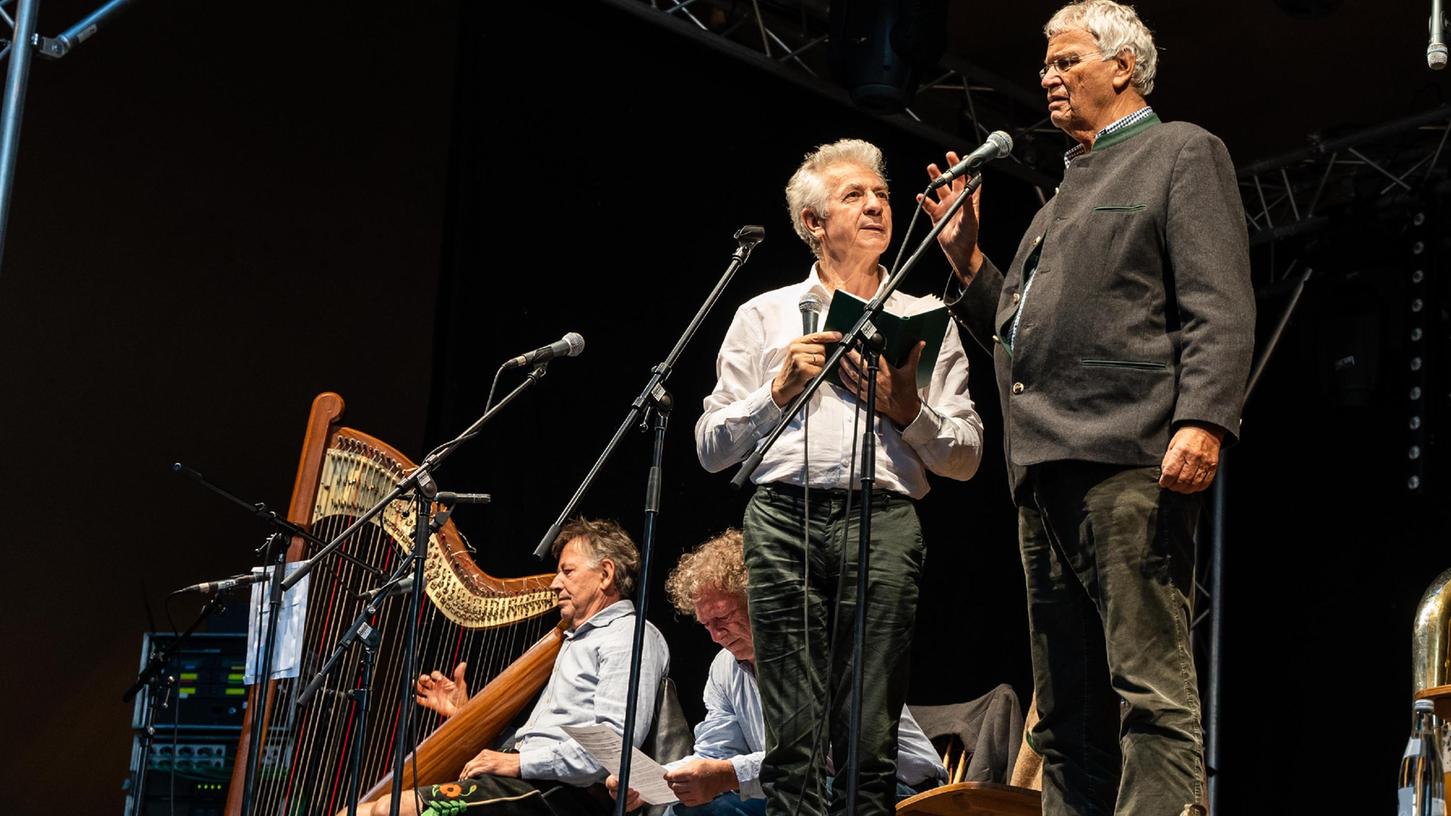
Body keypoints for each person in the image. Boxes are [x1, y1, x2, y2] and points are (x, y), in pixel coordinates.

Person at [921, 2, 1255, 814]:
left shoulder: (1178, 152)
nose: (1046, 76)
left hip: (1125, 456)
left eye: (1066, 61)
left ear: (1122, 67)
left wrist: (1203, 418)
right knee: (1064, 713)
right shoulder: (1060, 192)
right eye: (1045, 64)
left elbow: (1219, 302)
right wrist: (968, 264)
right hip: (1040, 467)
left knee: (1148, 687)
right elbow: (1022, 328)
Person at [695, 138, 983, 816]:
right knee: (792, 737)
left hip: (882, 518)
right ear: (812, 223)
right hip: (781, 517)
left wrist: (906, 409)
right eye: (854, 196)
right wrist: (775, 391)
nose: (876, 205)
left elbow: (966, 454)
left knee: (869, 735)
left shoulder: (920, 317)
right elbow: (709, 448)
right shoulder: (762, 315)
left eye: (880, 195)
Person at [606, 529, 947, 815]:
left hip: (898, 793)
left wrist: (725, 776)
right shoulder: (725, 667)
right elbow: (717, 754)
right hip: (806, 790)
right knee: (685, 808)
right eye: (705, 625)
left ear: (758, 599)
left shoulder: (819, 648)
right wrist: (664, 779)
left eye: (723, 618)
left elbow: (820, 757)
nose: (715, 635)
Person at [350, 518, 671, 816]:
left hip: (566, 795)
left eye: (567, 571)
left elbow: (612, 751)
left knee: (391, 810)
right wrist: (464, 715)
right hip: (532, 783)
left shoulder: (628, 635)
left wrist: (517, 764)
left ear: (606, 573)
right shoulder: (572, 640)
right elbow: (537, 735)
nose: (555, 584)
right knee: (364, 810)